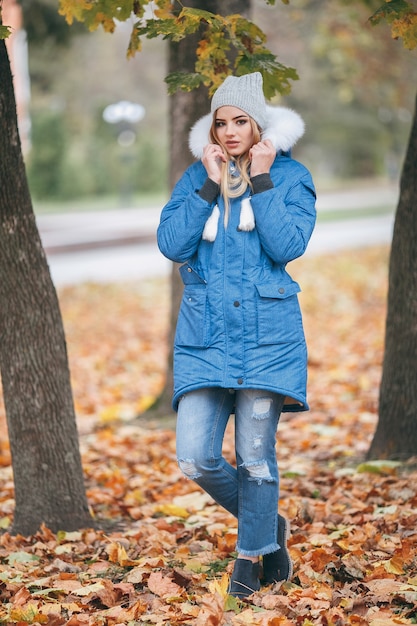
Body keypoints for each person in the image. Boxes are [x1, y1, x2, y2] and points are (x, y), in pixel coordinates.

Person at [157, 72, 316, 599]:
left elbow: (287, 245)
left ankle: (249, 561)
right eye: (221, 122)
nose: (229, 132)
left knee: (254, 456)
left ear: (258, 125)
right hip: (206, 339)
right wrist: (206, 184)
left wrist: (264, 179)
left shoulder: (292, 177)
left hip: (267, 337)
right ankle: (269, 528)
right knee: (195, 457)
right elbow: (173, 244)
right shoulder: (195, 178)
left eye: (239, 121)